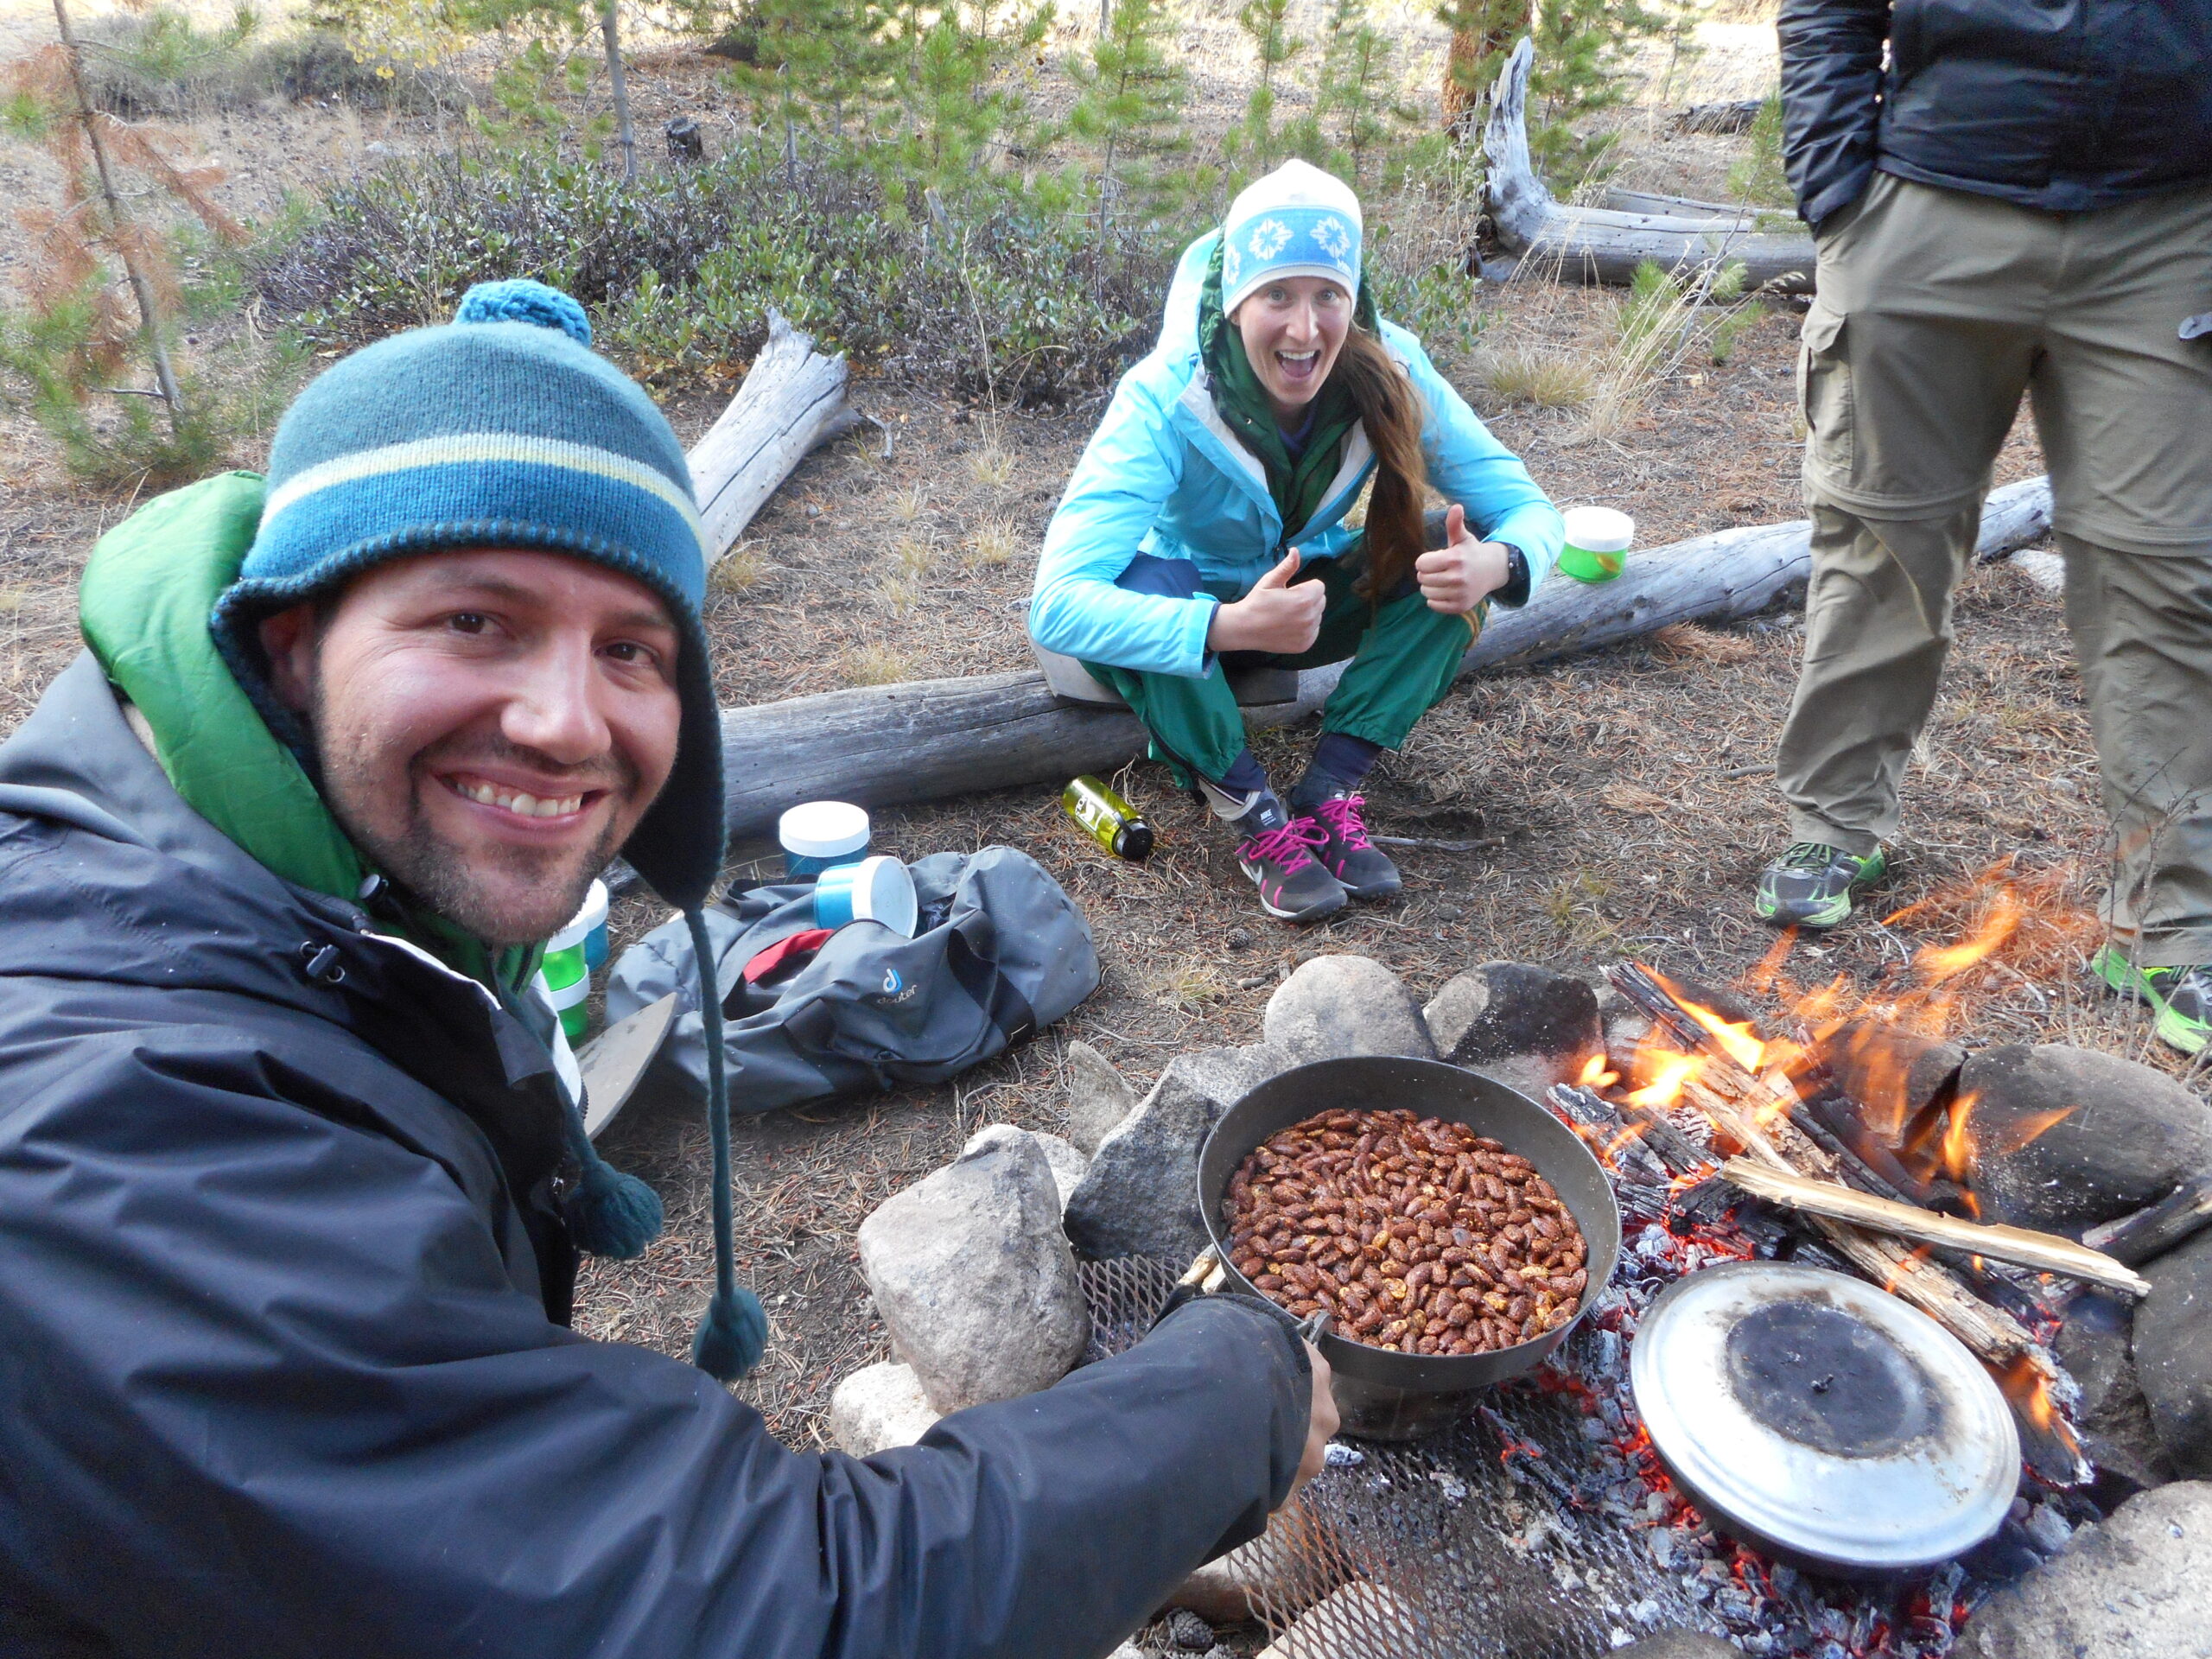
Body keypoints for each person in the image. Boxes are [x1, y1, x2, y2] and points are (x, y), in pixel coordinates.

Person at [0, 280, 1334, 1656]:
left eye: (630, 649)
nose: (567, 722)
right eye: (474, 619)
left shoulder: (298, 913)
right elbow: (760, 1616)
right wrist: (1242, 1395)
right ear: (289, 640)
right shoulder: (115, 1135)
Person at [1761, 2, 2212, 1051]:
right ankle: (1833, 825)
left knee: (2166, 571)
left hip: (2170, 228)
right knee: (1879, 543)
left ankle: (2171, 920)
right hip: (1926, 203)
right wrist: (1839, 194)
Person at [1030, 161, 1564, 923]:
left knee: (1450, 548)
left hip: (1298, 609)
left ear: (1355, 299)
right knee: (1147, 583)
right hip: (1183, 620)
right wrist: (1224, 624)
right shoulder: (1165, 395)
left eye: (1327, 296)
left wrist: (1500, 562)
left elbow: (1532, 512)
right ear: (1237, 300)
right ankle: (1251, 810)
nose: (1305, 329)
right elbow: (1057, 607)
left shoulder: (1393, 369)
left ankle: (1331, 788)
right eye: (1277, 294)